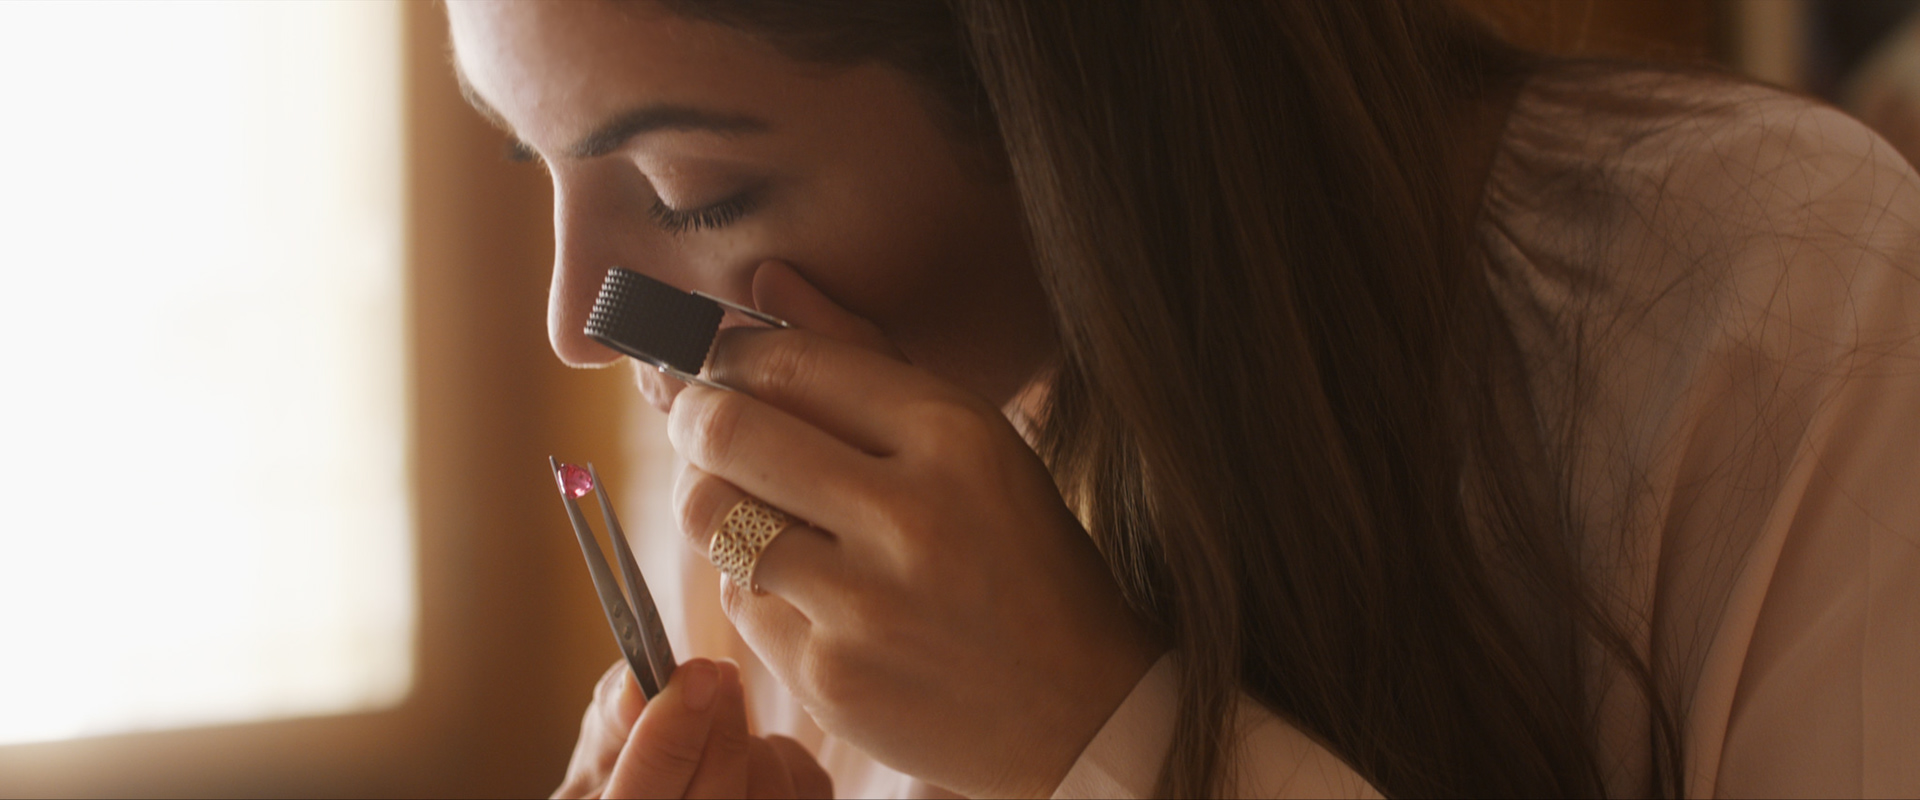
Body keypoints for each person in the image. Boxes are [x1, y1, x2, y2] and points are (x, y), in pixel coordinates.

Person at [446, 1, 1920, 797]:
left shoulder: (1769, 297)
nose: (580, 323)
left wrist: (1101, 739)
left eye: (691, 192)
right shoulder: (769, 495)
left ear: (1057, 87)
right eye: (534, 158)